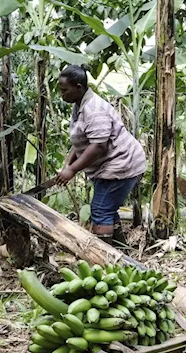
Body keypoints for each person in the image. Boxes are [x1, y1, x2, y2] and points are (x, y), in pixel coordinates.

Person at [55, 64, 146, 245]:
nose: (61, 94)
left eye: (65, 90)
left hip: (123, 164)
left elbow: (98, 146)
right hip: (112, 165)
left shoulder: (94, 110)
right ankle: (121, 252)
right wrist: (67, 165)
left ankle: (103, 261)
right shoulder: (80, 103)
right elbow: (83, 140)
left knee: (100, 210)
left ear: (78, 87)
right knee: (106, 209)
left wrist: (72, 170)